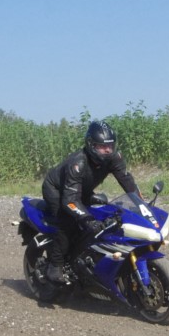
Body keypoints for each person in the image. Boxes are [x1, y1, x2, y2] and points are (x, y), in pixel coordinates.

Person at [40, 120, 138, 284]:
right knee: (69, 221)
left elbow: (128, 182)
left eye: (110, 145)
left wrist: (141, 205)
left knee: (104, 212)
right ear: (91, 145)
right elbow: (70, 200)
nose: (108, 150)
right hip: (56, 190)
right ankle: (54, 265)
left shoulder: (114, 158)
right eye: (102, 146)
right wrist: (88, 220)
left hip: (80, 189)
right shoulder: (78, 162)